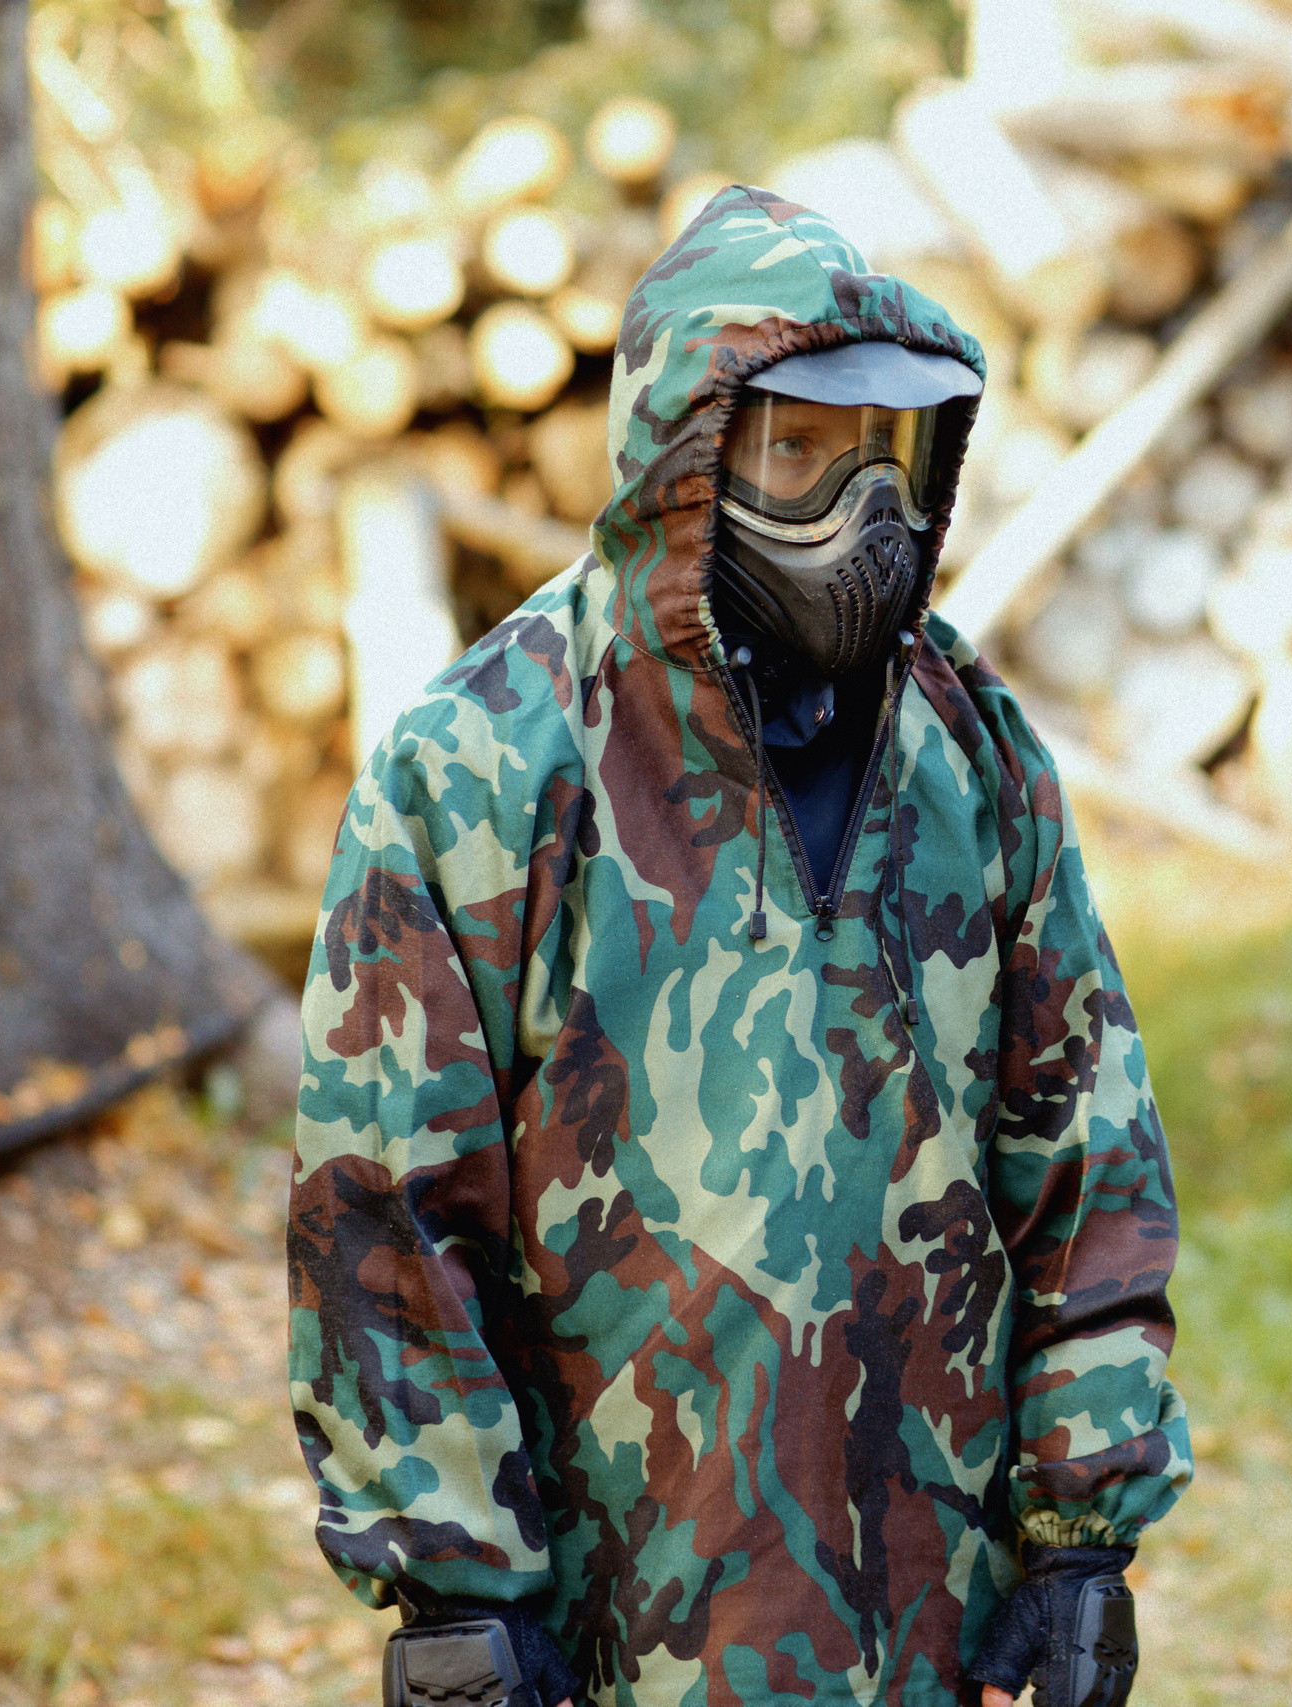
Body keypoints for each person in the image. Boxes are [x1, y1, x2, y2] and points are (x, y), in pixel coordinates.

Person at [289, 184, 1184, 1707]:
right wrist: (453, 1590)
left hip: (939, 1623)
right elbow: (385, 1216)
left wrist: (1082, 1534)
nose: (862, 513)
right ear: (684, 460)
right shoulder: (484, 767)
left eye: (885, 460)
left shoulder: (971, 750)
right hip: (616, 1625)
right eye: (796, 452)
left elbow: (1086, 1154)